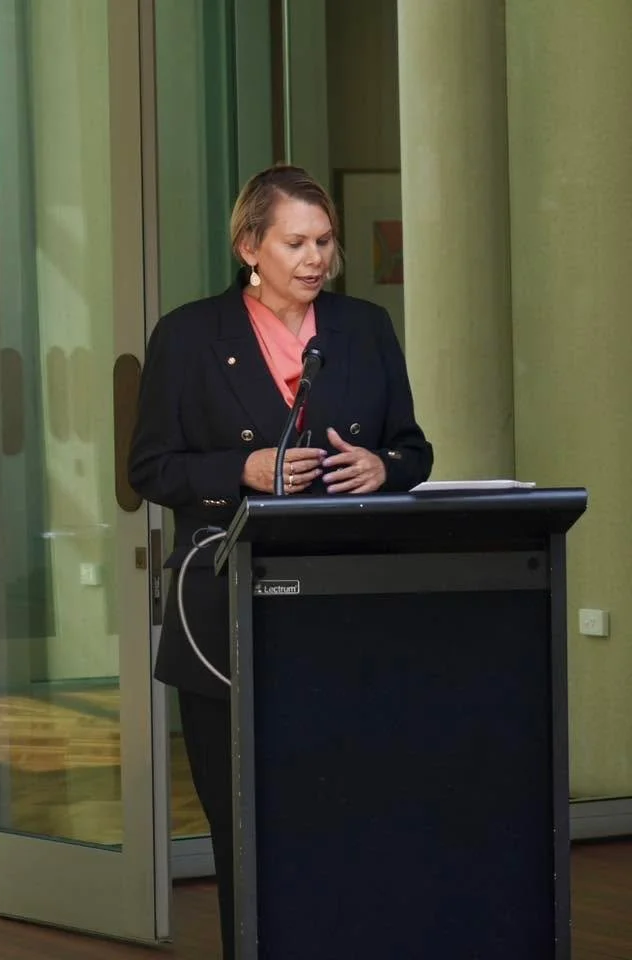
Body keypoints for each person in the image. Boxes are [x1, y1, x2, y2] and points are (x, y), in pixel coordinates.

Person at [126, 164, 432, 959]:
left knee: (350, 819)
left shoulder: (365, 327)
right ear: (248, 247)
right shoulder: (189, 336)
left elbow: (414, 449)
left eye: (324, 241)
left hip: (345, 611)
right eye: (295, 242)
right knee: (248, 827)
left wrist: (384, 467)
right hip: (225, 614)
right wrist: (244, 469)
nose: (315, 258)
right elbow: (149, 469)